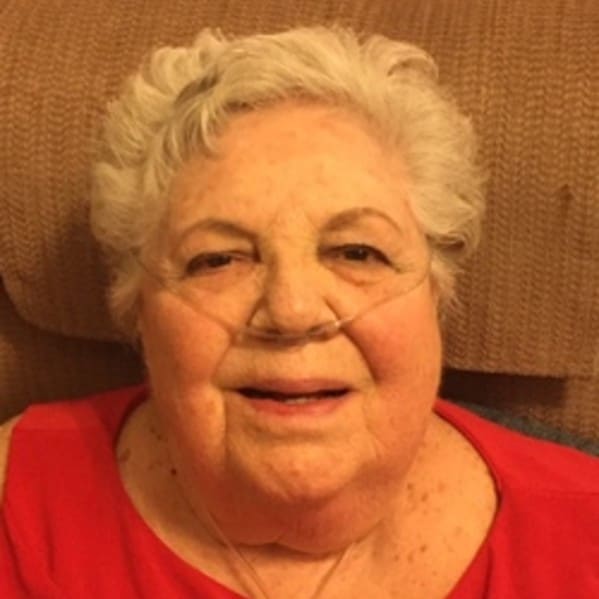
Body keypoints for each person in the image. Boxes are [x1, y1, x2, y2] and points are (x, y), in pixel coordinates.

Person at [0, 25, 597, 599]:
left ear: (435, 294)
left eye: (356, 252)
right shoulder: (17, 505)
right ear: (137, 310)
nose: (292, 312)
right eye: (218, 260)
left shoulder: (582, 533)